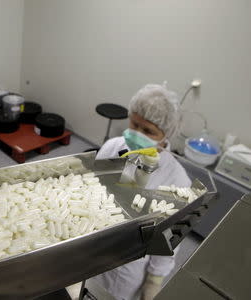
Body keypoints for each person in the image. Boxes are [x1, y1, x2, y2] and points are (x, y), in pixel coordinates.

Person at [92, 84, 191, 300]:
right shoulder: (112, 147)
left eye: (148, 131)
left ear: (166, 135)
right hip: (93, 246)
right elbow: (92, 188)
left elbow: (168, 239)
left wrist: (154, 281)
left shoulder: (177, 181)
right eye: (134, 124)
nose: (137, 134)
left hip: (128, 267)